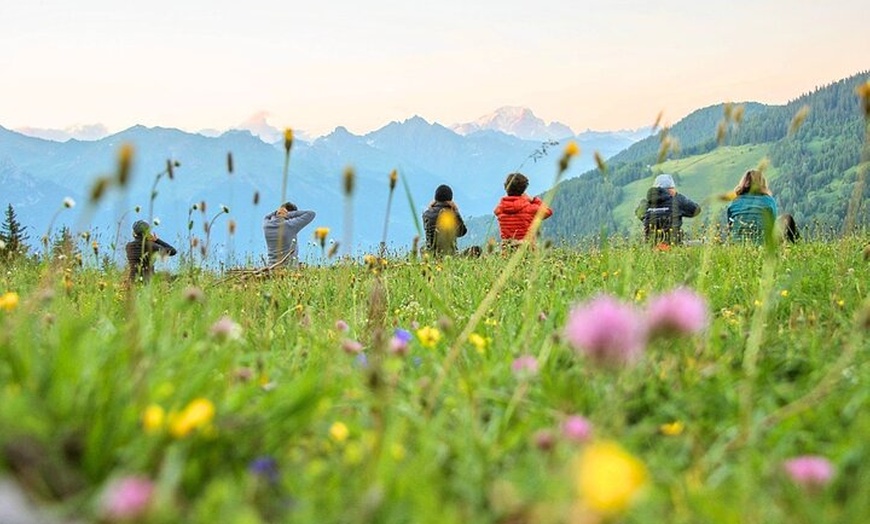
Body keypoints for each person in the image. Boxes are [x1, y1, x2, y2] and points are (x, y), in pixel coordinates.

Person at [634, 174, 701, 245]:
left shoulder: (644, 204)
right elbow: (696, 210)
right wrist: (677, 196)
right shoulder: (677, 201)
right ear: (671, 189)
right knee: (703, 242)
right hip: (673, 245)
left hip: (650, 246)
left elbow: (639, 214)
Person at [494, 173, 552, 243]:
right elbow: (548, 211)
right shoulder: (530, 208)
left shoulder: (500, 209)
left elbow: (496, 211)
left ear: (506, 187)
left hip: (507, 248)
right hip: (526, 247)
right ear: (524, 189)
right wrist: (533, 200)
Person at [726, 169, 780, 244]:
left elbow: (730, 226)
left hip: (737, 245)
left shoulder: (735, 202)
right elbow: (772, 224)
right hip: (762, 244)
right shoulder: (769, 201)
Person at [263, 202, 316, 266]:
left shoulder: (267, 224)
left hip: (271, 266)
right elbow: (311, 214)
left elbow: (266, 216)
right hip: (289, 268)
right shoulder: (289, 225)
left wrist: (277, 212)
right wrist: (289, 214)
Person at [422, 184, 468, 255]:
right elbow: (462, 232)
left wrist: (429, 208)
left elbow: (428, 233)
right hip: (449, 254)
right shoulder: (451, 214)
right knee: (477, 250)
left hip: (431, 254)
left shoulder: (426, 214)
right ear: (450, 199)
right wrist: (456, 211)